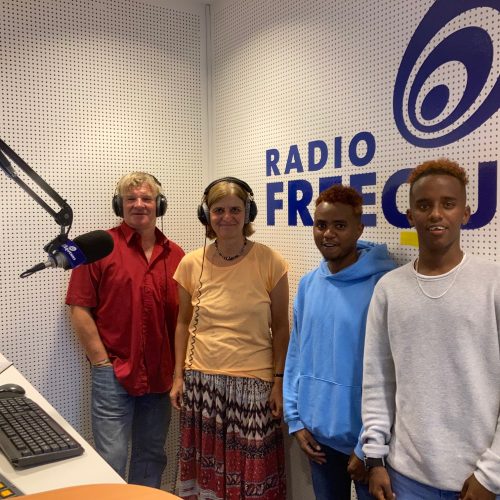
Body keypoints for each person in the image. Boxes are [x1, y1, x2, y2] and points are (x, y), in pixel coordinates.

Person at [362, 159, 500, 500]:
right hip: (405, 477)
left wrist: (492, 475)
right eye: (424, 205)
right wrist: (375, 457)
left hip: (478, 480)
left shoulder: (493, 283)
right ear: (410, 216)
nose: (436, 214)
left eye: (448, 204)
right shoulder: (389, 289)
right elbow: (378, 379)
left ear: (465, 213)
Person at [169, 177, 289, 500]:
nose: (227, 217)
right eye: (218, 210)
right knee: (206, 475)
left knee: (252, 479)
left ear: (248, 213)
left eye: (235, 209)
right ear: (206, 215)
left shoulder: (271, 261)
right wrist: (178, 377)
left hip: (253, 387)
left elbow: (281, 328)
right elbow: (183, 323)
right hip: (202, 385)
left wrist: (279, 382)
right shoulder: (190, 264)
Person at [65, 172, 184, 487]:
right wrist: (101, 362)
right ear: (120, 205)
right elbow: (79, 308)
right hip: (113, 374)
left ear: (159, 204)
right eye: (131, 199)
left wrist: (178, 371)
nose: (139, 204)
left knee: (152, 455)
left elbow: (183, 317)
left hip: (160, 375)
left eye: (146, 198)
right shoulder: (97, 249)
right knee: (111, 459)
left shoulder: (176, 254)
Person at [283, 184, 396, 500]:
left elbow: (391, 374)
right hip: (318, 438)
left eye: (340, 225)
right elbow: (297, 354)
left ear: (359, 229)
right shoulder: (308, 284)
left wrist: (368, 447)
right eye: (321, 225)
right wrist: (295, 420)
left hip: (368, 446)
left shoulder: (384, 285)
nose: (328, 234)